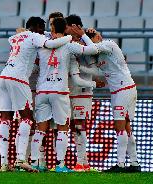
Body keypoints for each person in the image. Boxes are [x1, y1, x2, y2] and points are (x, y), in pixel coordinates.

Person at [0, 16, 72, 172]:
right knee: (27, 118)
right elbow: (50, 43)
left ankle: (4, 162)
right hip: (18, 78)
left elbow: (16, 35)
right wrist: (69, 36)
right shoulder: (34, 36)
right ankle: (20, 159)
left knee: (5, 119)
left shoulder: (16, 37)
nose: (43, 31)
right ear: (37, 26)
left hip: (3, 77)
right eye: (42, 27)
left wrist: (24, 30)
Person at [30, 17, 105, 173]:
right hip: (59, 91)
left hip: (42, 91)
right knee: (63, 128)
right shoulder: (69, 46)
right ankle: (61, 165)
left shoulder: (41, 44)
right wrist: (82, 35)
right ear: (65, 29)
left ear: (51, 29)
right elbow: (93, 49)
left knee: (40, 129)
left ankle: (35, 163)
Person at [88, 29, 141, 172]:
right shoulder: (99, 56)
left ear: (97, 37)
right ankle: (135, 164)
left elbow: (91, 48)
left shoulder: (109, 44)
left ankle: (120, 164)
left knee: (119, 127)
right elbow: (96, 71)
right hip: (124, 89)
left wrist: (82, 36)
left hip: (123, 90)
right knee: (127, 126)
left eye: (91, 39)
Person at [65, 14, 104, 172]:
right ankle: (84, 163)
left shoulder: (86, 44)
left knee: (80, 125)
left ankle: (81, 162)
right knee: (69, 126)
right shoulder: (64, 43)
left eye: (67, 27)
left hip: (82, 90)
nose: (65, 30)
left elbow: (96, 69)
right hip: (66, 91)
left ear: (74, 27)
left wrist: (76, 68)